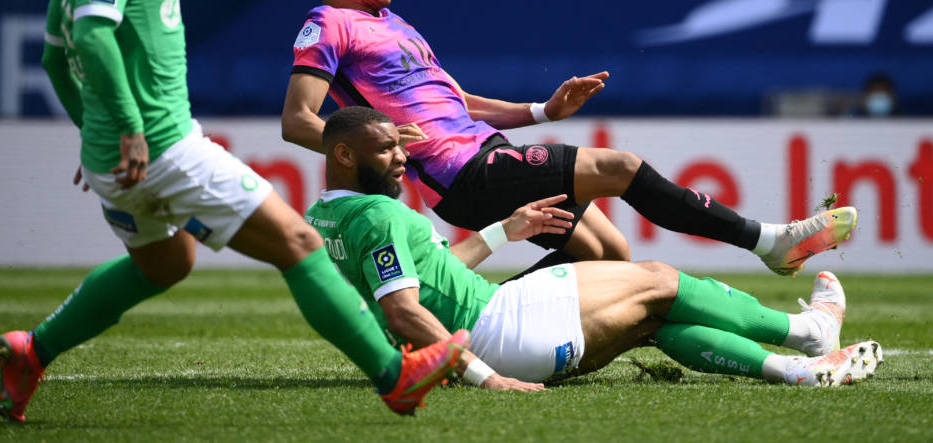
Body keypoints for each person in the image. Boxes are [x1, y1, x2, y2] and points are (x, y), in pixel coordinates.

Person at [0, 0, 468, 424]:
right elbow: (90, 37)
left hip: (119, 155)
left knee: (166, 263)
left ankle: (33, 351)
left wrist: (96, 131)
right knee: (299, 243)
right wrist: (129, 128)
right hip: (162, 145)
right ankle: (395, 376)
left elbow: (54, 59)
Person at [281, 0, 856, 278]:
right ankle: (770, 242)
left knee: (607, 253)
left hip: (485, 152)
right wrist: (376, 140)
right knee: (619, 167)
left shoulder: (396, 24)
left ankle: (469, 325)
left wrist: (542, 111)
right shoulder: (327, 23)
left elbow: (460, 102)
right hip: (458, 173)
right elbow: (297, 120)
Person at [303, 107, 884, 390]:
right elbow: (403, 310)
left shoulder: (323, 217)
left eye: (399, 145)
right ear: (345, 155)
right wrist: (487, 379)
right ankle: (806, 331)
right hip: (494, 330)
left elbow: (428, 279)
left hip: (489, 338)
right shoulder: (378, 214)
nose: (402, 157)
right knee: (656, 278)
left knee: (650, 321)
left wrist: (507, 230)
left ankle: (796, 369)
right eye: (386, 149)